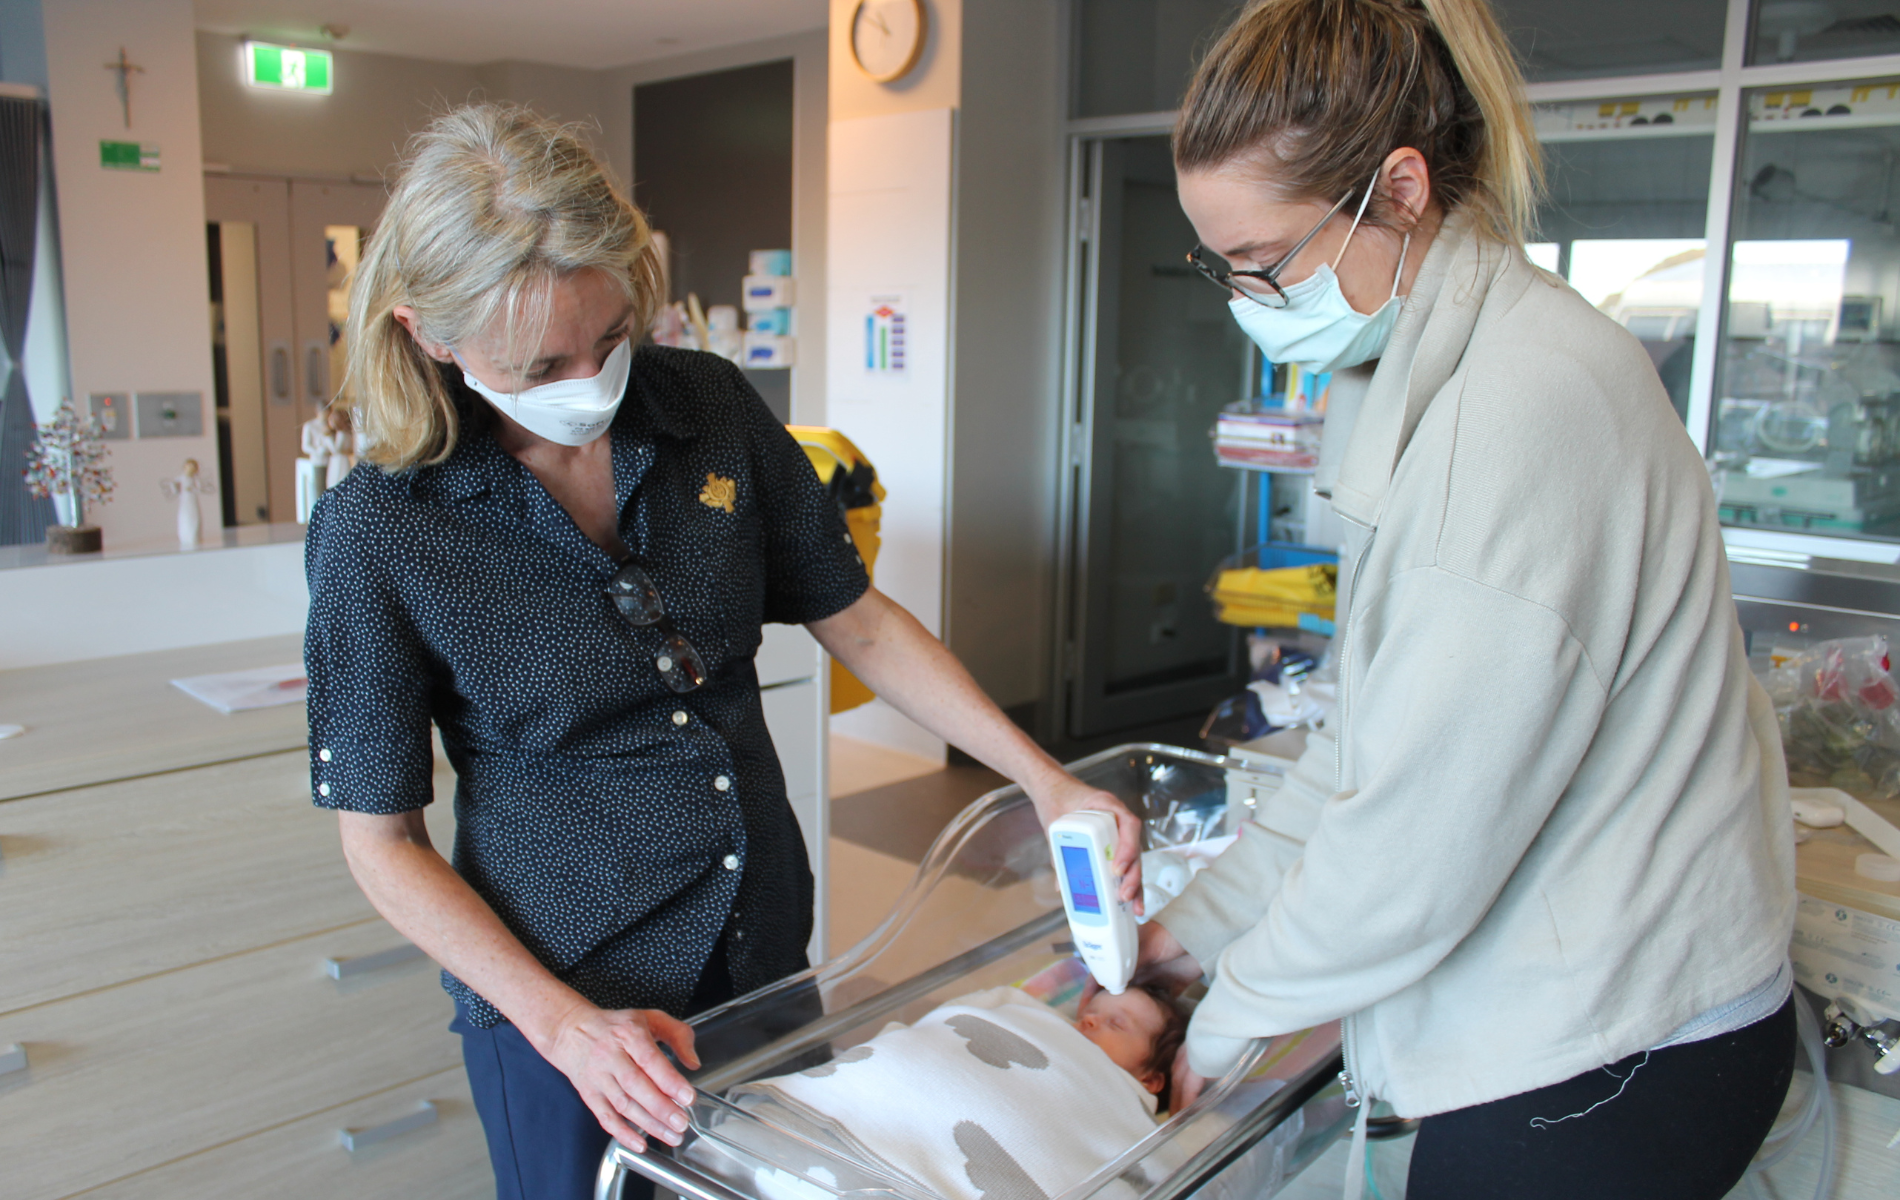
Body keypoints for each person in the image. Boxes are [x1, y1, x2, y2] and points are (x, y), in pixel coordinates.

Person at [303, 104, 1143, 1200]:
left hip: (760, 946)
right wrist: (566, 1029)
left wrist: (1043, 780)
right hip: (571, 999)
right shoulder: (385, 528)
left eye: (610, 338)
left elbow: (859, 619)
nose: (590, 381)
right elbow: (382, 844)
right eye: (542, 360)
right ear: (430, 333)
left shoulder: (706, 405)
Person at [1137, 3, 1797, 1198]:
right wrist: (1194, 928)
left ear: (1397, 190)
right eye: (1217, 265)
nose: (1242, 297)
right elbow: (1363, 734)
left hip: (1615, 1044)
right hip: (1591, 1008)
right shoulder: (1419, 368)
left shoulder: (1514, 414)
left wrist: (1230, 1018)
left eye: (1266, 263)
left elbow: (1414, 838)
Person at [733, 983, 1191, 1200]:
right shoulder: (1019, 1013)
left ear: (1150, 1080)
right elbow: (929, 1035)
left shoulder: (1128, 1112)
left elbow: (1154, 1176)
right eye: (1089, 1011)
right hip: (833, 1125)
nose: (1088, 1021)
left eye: (1116, 1024)